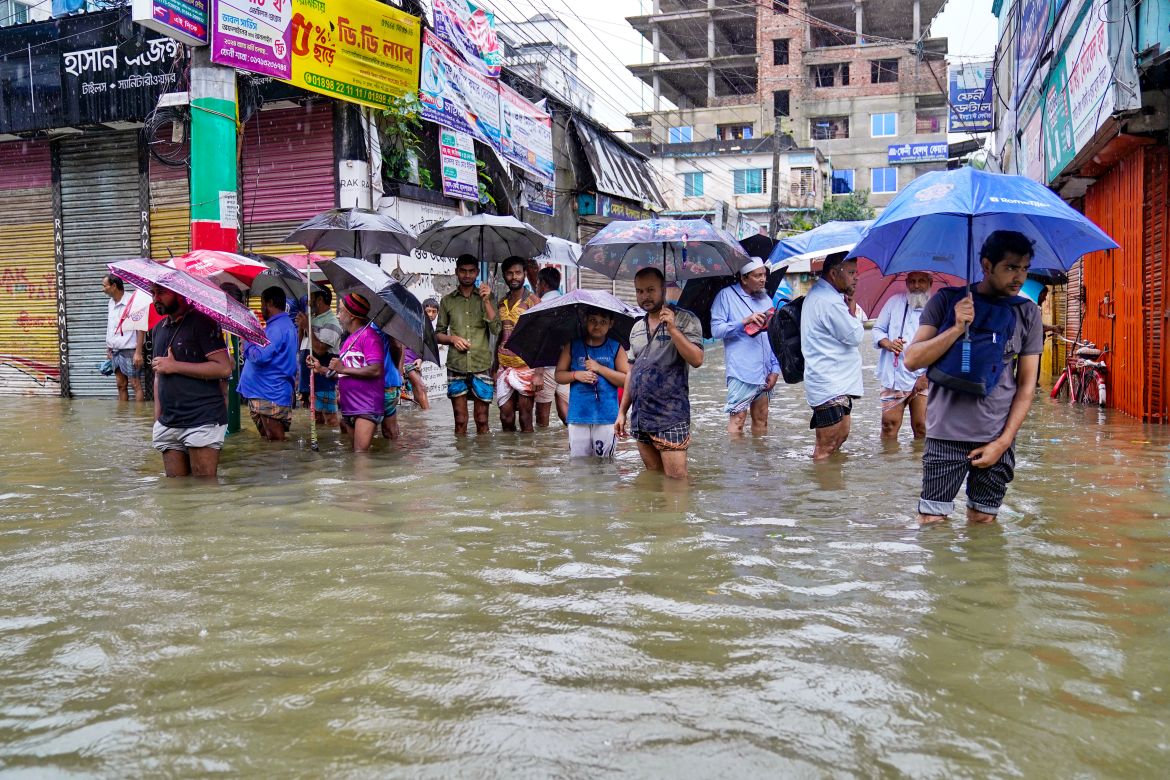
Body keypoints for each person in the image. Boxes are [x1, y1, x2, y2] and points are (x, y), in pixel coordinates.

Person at [904, 230, 1044, 526]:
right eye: (1010, 268)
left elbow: (1027, 386)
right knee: (932, 522)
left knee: (983, 522)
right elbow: (912, 359)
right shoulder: (946, 301)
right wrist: (955, 328)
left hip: (996, 435)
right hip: (945, 435)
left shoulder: (1028, 313)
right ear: (986, 265)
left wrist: (1003, 442)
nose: (1019, 277)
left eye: (1024, 268)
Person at [615, 267, 704, 479]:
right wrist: (622, 412)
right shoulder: (636, 327)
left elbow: (697, 359)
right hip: (641, 417)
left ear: (664, 288)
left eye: (650, 290)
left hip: (670, 416)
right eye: (639, 291)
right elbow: (631, 372)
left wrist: (673, 329)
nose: (645, 296)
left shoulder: (684, 319)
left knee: (676, 482)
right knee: (652, 480)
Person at [149, 286, 232, 477]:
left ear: (178, 292)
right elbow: (158, 374)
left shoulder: (203, 323)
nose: (155, 298)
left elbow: (224, 367)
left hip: (202, 419)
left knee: (204, 490)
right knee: (176, 492)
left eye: (161, 292)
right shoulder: (158, 330)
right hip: (169, 422)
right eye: (153, 293)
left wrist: (175, 366)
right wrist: (158, 419)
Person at [800, 252, 864, 460]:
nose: (856, 277)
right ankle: (822, 489)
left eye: (856, 272)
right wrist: (852, 309)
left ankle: (831, 488)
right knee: (825, 448)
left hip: (836, 382)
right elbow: (855, 335)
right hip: (829, 383)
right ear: (834, 273)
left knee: (839, 438)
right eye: (852, 272)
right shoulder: (828, 301)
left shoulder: (827, 297)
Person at [710, 257, 780, 435]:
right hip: (742, 370)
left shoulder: (766, 299)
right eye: (757, 276)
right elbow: (716, 330)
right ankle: (736, 461)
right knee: (738, 420)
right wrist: (744, 322)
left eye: (764, 275)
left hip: (764, 370)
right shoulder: (726, 296)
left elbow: (772, 336)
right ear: (744, 278)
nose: (763, 279)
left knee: (762, 418)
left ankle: (760, 461)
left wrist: (775, 368)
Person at [308, 293, 384, 452]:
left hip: (365, 406)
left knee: (360, 455)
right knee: (354, 456)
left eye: (341, 311)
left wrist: (343, 368)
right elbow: (344, 373)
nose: (338, 315)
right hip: (349, 407)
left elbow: (376, 370)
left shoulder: (369, 337)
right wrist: (321, 369)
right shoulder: (348, 341)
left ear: (351, 315)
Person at [435, 255, 500, 434]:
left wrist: (486, 301)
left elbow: (496, 329)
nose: (467, 275)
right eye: (463, 271)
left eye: (471, 271)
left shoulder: (488, 297)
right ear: (456, 272)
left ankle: (481, 461)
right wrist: (452, 339)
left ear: (477, 273)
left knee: (482, 419)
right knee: (460, 420)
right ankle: (463, 461)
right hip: (457, 365)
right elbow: (437, 335)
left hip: (481, 364)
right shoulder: (447, 301)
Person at [554, 307, 628, 458]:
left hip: (607, 416)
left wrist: (599, 368)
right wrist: (576, 375)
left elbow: (627, 380)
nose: (597, 326)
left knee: (604, 466)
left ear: (611, 324)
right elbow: (559, 375)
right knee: (579, 466)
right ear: (585, 320)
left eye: (603, 322)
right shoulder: (573, 345)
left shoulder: (616, 348)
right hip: (578, 415)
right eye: (593, 320)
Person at [873, 271, 932, 439]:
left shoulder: (938, 306)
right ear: (906, 283)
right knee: (888, 425)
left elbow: (944, 346)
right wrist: (888, 344)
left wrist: (927, 376)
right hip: (894, 374)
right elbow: (878, 330)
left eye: (921, 281)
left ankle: (920, 464)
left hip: (924, 377)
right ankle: (888, 463)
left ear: (930, 283)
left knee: (922, 427)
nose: (916, 286)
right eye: (912, 281)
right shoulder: (894, 302)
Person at [238, 287, 299, 441]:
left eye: (262, 303)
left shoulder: (277, 328)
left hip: (269, 393)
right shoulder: (279, 326)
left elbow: (260, 356)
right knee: (269, 443)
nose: (260, 308)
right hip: (266, 392)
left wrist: (247, 343)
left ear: (270, 303)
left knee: (275, 443)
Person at [495, 256, 543, 432]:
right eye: (509, 273)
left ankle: (527, 458)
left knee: (525, 416)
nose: (514, 277)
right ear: (504, 276)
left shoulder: (534, 302)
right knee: (505, 417)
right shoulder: (502, 302)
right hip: (504, 365)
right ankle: (509, 457)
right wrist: (495, 367)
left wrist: (539, 373)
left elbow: (542, 337)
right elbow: (501, 334)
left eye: (517, 272)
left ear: (524, 274)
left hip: (527, 366)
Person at [296, 287, 344, 427]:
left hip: (323, 380)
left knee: (330, 418)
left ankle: (333, 446)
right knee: (316, 419)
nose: (308, 303)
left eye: (311, 299)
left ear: (320, 300)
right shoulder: (312, 319)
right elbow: (300, 346)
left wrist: (307, 327)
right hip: (309, 379)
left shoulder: (331, 322)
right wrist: (302, 327)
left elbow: (320, 350)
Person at [102, 274, 145, 402]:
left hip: (130, 351)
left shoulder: (132, 301)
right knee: (121, 385)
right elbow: (111, 326)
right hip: (115, 351)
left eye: (105, 286)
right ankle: (122, 419)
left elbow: (141, 327)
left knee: (135, 385)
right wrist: (109, 348)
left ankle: (139, 419)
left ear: (114, 286)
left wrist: (138, 352)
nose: (102, 289)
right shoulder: (111, 302)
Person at [535, 265, 569, 426]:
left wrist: (538, 372)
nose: (536, 287)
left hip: (547, 366)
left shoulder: (541, 306)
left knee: (542, 417)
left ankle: (544, 450)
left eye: (536, 283)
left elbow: (542, 338)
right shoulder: (567, 303)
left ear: (543, 284)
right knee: (566, 413)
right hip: (567, 366)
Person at [381, 334, 405, 441]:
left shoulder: (383, 323)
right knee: (389, 430)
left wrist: (397, 370)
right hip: (390, 380)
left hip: (386, 381)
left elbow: (398, 346)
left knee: (389, 430)